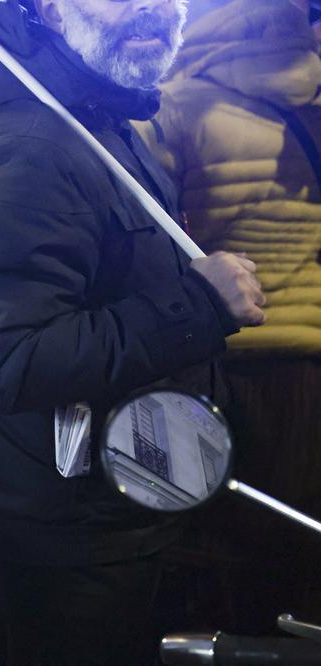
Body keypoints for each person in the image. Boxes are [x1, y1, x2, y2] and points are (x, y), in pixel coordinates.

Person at [0, 0, 267, 663]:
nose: (151, 6)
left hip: (125, 504)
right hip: (74, 531)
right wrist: (198, 307)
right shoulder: (26, 146)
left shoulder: (98, 117)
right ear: (48, 10)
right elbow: (8, 362)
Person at [136, 0, 321, 633]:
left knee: (254, 555)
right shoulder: (310, 83)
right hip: (312, 348)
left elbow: (146, 235)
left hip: (244, 353)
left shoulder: (179, 95)